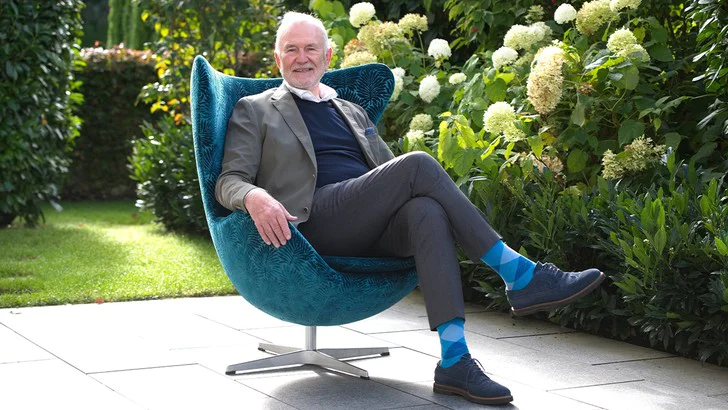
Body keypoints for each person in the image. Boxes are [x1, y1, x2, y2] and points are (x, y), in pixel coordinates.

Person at [215, 12, 605, 406]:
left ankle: (454, 360)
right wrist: (255, 197)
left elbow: (386, 174)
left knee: (425, 212)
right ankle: (519, 274)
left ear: (328, 56)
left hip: (367, 223)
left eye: (310, 49)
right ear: (277, 59)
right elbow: (229, 180)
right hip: (314, 223)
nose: (302, 58)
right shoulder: (256, 108)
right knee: (417, 164)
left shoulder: (351, 111)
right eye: (291, 50)